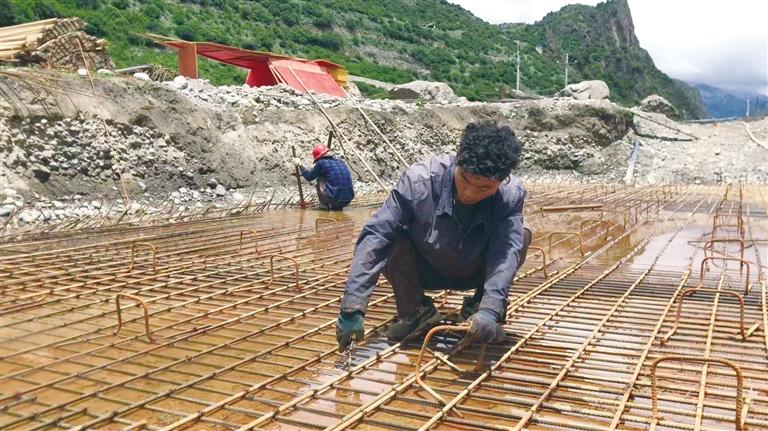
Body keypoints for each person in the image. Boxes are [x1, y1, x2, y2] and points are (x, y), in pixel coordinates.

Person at [335, 121, 532, 352]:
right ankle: (417, 311)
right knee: (389, 235)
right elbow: (376, 235)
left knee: (520, 234)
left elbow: (505, 253)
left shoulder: (510, 195)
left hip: (475, 269)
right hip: (426, 267)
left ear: (501, 180)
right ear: (457, 161)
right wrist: (352, 306)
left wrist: (491, 309)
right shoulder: (419, 182)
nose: (470, 193)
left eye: (484, 188)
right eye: (465, 179)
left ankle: (479, 308)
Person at [293, 144, 355, 211]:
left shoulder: (321, 163)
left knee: (319, 179)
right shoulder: (341, 161)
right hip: (348, 199)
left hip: (335, 199)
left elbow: (309, 177)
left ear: (318, 157)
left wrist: (300, 165)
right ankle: (337, 207)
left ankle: (324, 206)